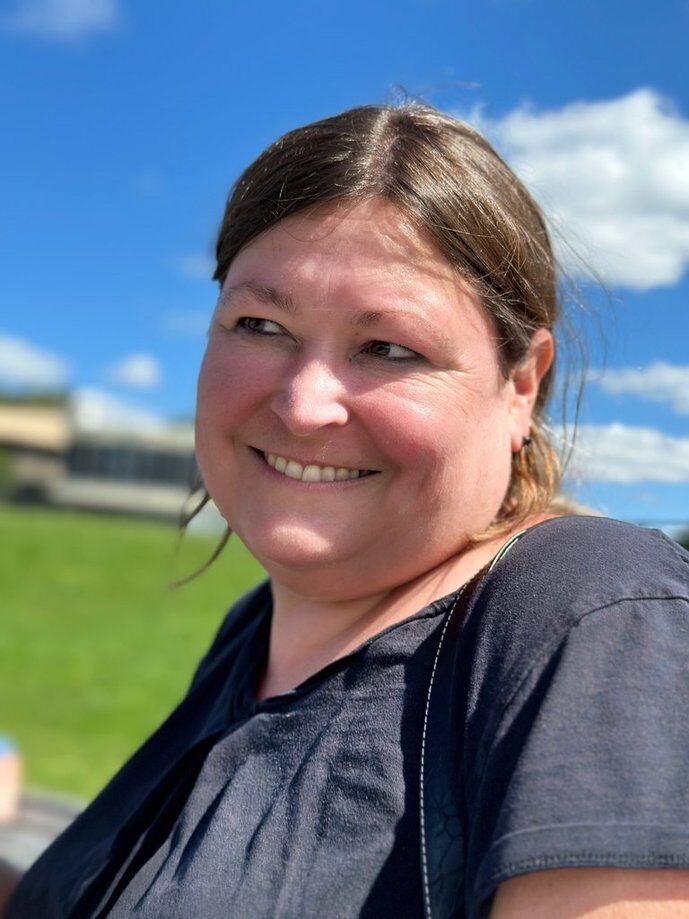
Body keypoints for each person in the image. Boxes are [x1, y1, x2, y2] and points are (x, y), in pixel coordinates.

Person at [4, 103, 689, 919]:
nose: (302, 406)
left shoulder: (590, 612)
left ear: (520, 382)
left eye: (388, 347)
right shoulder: (249, 637)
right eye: (260, 325)